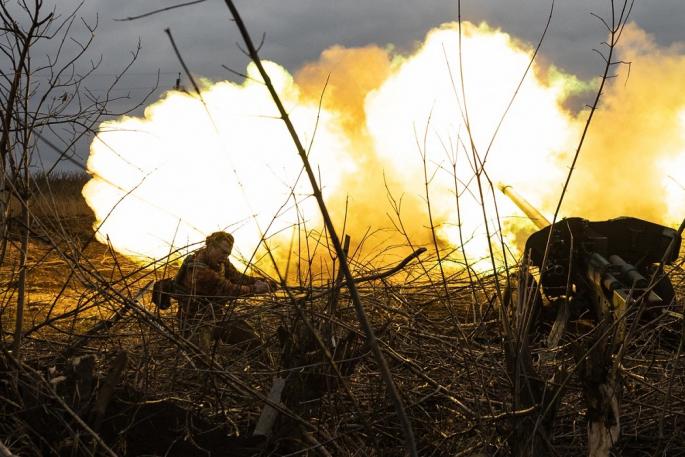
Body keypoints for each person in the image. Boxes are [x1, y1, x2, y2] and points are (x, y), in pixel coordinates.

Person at [174, 231, 276, 351]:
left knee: (254, 343)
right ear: (211, 247)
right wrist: (255, 289)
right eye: (223, 252)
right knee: (200, 359)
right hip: (195, 323)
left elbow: (237, 277)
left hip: (218, 316)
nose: (225, 256)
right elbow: (227, 289)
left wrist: (261, 281)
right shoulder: (198, 270)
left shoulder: (221, 261)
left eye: (228, 253)